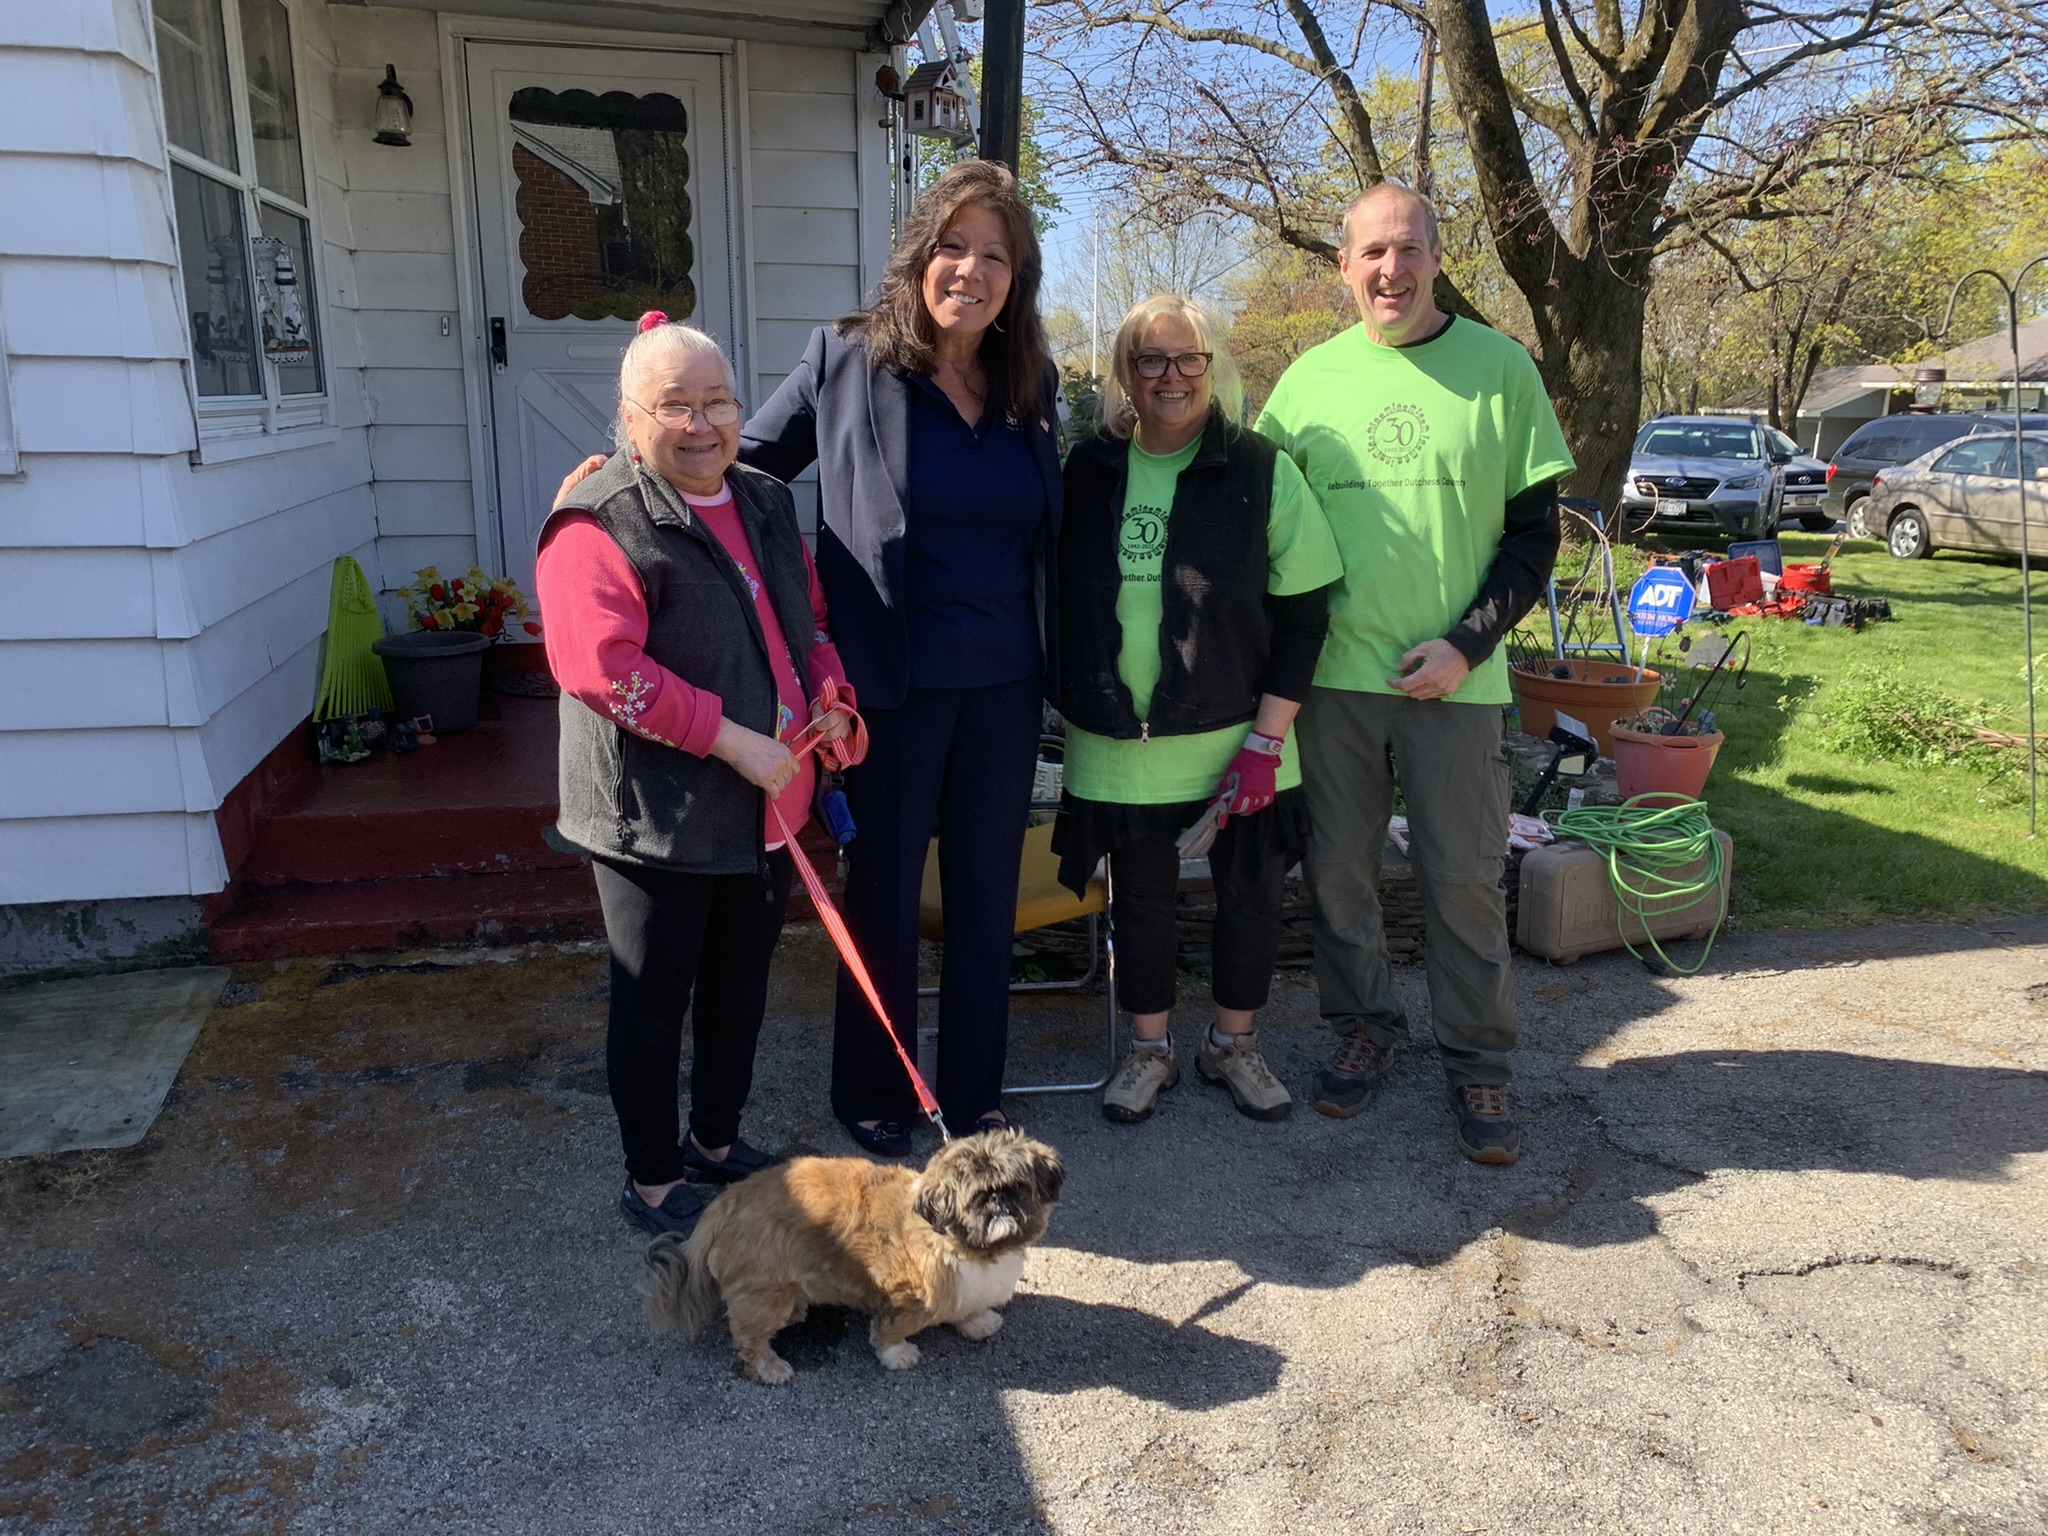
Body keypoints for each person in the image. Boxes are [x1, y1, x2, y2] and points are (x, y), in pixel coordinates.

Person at [738, 160, 1064, 1154]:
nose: (970, 270)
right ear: (918, 257)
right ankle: (874, 1085)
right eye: (952, 247)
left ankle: (973, 1094)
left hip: (1006, 685)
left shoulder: (1029, 383)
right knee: (880, 894)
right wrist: (637, 477)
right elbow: (745, 470)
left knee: (980, 894)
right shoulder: (845, 360)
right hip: (888, 689)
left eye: (993, 255)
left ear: (1017, 278)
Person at [1255, 183, 1574, 1166]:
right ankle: (1363, 1028)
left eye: (1406, 250)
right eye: (1369, 254)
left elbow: (1531, 538)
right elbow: (1256, 526)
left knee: (1462, 884)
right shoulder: (1305, 383)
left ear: (1436, 257)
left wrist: (1465, 644)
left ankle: (1478, 1062)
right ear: (1342, 267)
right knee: (1339, 874)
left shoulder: (1499, 368)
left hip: (1455, 684)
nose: (1388, 270)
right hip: (1334, 683)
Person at [537, 313, 862, 1237]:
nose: (703, 423)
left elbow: (809, 614)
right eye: (674, 405)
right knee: (652, 1003)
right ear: (630, 419)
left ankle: (715, 1143)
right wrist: (731, 739)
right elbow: (601, 669)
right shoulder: (599, 519)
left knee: (738, 991)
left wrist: (829, 693)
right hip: (660, 820)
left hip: (769, 807)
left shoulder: (761, 495)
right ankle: (650, 1180)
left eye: (718, 400)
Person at [1054, 295, 1342, 1125]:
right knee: (1140, 901)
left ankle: (1233, 1046)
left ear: (1211, 370)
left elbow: (1306, 611)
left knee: (1250, 897)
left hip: (1241, 737)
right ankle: (1150, 1050)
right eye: (1151, 361)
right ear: (1124, 375)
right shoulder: (1089, 470)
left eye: (1188, 360)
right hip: (1120, 740)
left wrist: (1266, 740)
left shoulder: (1260, 469)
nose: (1171, 377)